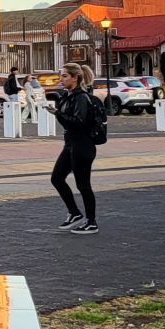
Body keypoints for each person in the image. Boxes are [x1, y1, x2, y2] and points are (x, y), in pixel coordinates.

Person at [51, 62, 99, 235]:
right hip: (71, 144)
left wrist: (58, 113)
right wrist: (57, 110)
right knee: (57, 178)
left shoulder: (81, 97)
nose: (61, 79)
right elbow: (67, 123)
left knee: (83, 184)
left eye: (64, 76)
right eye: (61, 75)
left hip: (82, 145)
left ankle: (91, 222)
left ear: (75, 78)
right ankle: (74, 213)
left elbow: (78, 123)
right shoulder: (69, 96)